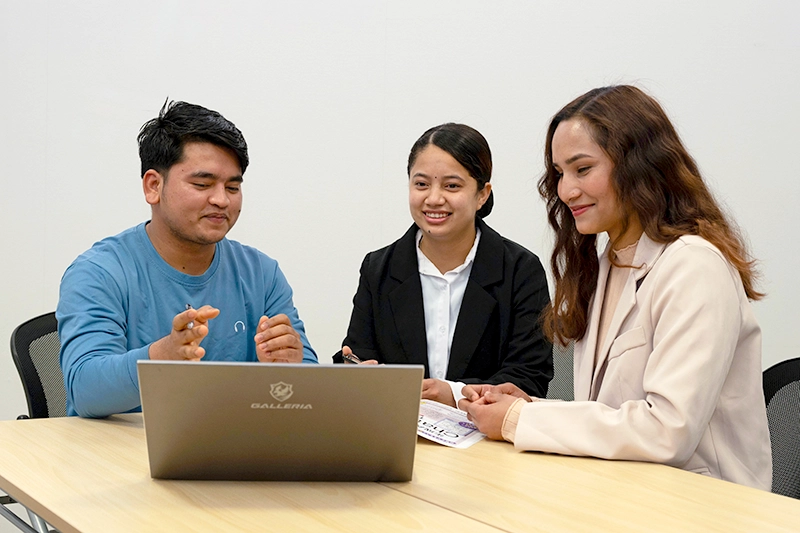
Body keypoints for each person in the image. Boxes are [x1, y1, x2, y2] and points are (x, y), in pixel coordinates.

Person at [459, 85, 771, 490]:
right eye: (559, 173)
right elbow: (608, 414)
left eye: (582, 169)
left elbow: (667, 431)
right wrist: (523, 407)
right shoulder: (607, 263)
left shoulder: (695, 265)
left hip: (706, 506)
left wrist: (521, 420)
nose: (565, 190)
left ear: (639, 164)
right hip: (629, 494)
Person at [57, 101, 317, 418]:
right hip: (119, 457)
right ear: (154, 186)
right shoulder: (99, 272)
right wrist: (162, 357)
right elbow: (85, 391)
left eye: (232, 186)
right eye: (202, 184)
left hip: (233, 453)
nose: (222, 200)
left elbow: (307, 385)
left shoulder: (261, 273)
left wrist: (287, 369)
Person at [335, 123, 553, 408]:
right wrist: (357, 373)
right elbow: (358, 354)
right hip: (402, 434)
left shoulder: (520, 270)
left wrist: (455, 393)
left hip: (487, 439)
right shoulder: (378, 268)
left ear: (482, 194)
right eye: (421, 184)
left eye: (452, 186)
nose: (434, 198)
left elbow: (529, 376)